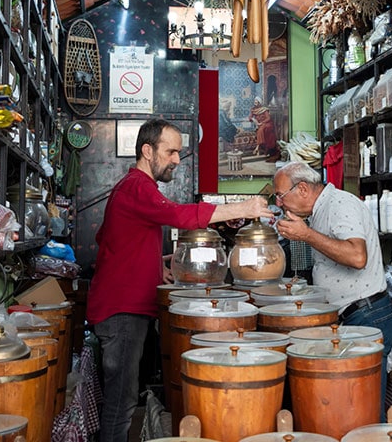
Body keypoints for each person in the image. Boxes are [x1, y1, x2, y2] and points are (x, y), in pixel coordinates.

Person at [87, 118, 273, 442]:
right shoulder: (137, 187)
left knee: (122, 399)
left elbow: (110, 240)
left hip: (121, 309)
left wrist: (153, 264)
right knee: (121, 404)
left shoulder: (132, 189)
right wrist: (243, 206)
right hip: (122, 313)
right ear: (148, 151)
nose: (176, 159)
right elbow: (179, 215)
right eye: (171, 151)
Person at [272, 161, 392, 419]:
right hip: (352, 316)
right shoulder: (320, 210)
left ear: (303, 189)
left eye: (281, 196)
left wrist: (306, 235)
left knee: (365, 409)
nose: (279, 203)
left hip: (367, 315)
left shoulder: (340, 204)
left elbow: (356, 256)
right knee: (349, 405)